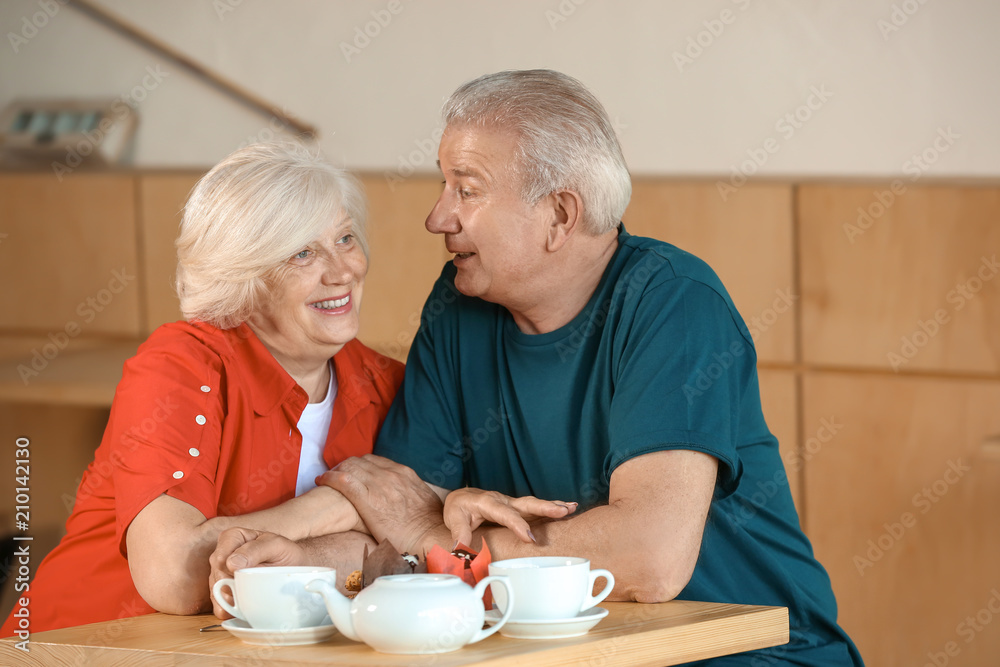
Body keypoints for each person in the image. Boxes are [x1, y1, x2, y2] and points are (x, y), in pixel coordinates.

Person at [211, 71, 864, 665]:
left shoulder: (673, 302)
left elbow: (648, 557)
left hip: (760, 658)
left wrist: (430, 539)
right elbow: (393, 523)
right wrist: (301, 563)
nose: (437, 217)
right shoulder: (457, 308)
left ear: (559, 215)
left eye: (465, 189)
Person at [1, 142, 404, 636]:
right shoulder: (180, 365)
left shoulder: (385, 382)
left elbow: (411, 542)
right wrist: (338, 508)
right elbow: (173, 575)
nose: (343, 271)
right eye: (302, 253)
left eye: (345, 238)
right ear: (244, 277)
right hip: (82, 645)